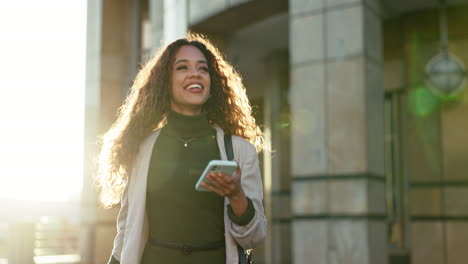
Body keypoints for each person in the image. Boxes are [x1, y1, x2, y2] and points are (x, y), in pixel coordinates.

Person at [96, 33, 267, 264]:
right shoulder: (141, 150)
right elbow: (127, 229)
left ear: (212, 81)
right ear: (165, 81)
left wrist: (237, 195)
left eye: (203, 69)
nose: (195, 73)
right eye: (182, 67)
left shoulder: (240, 151)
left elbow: (253, 237)